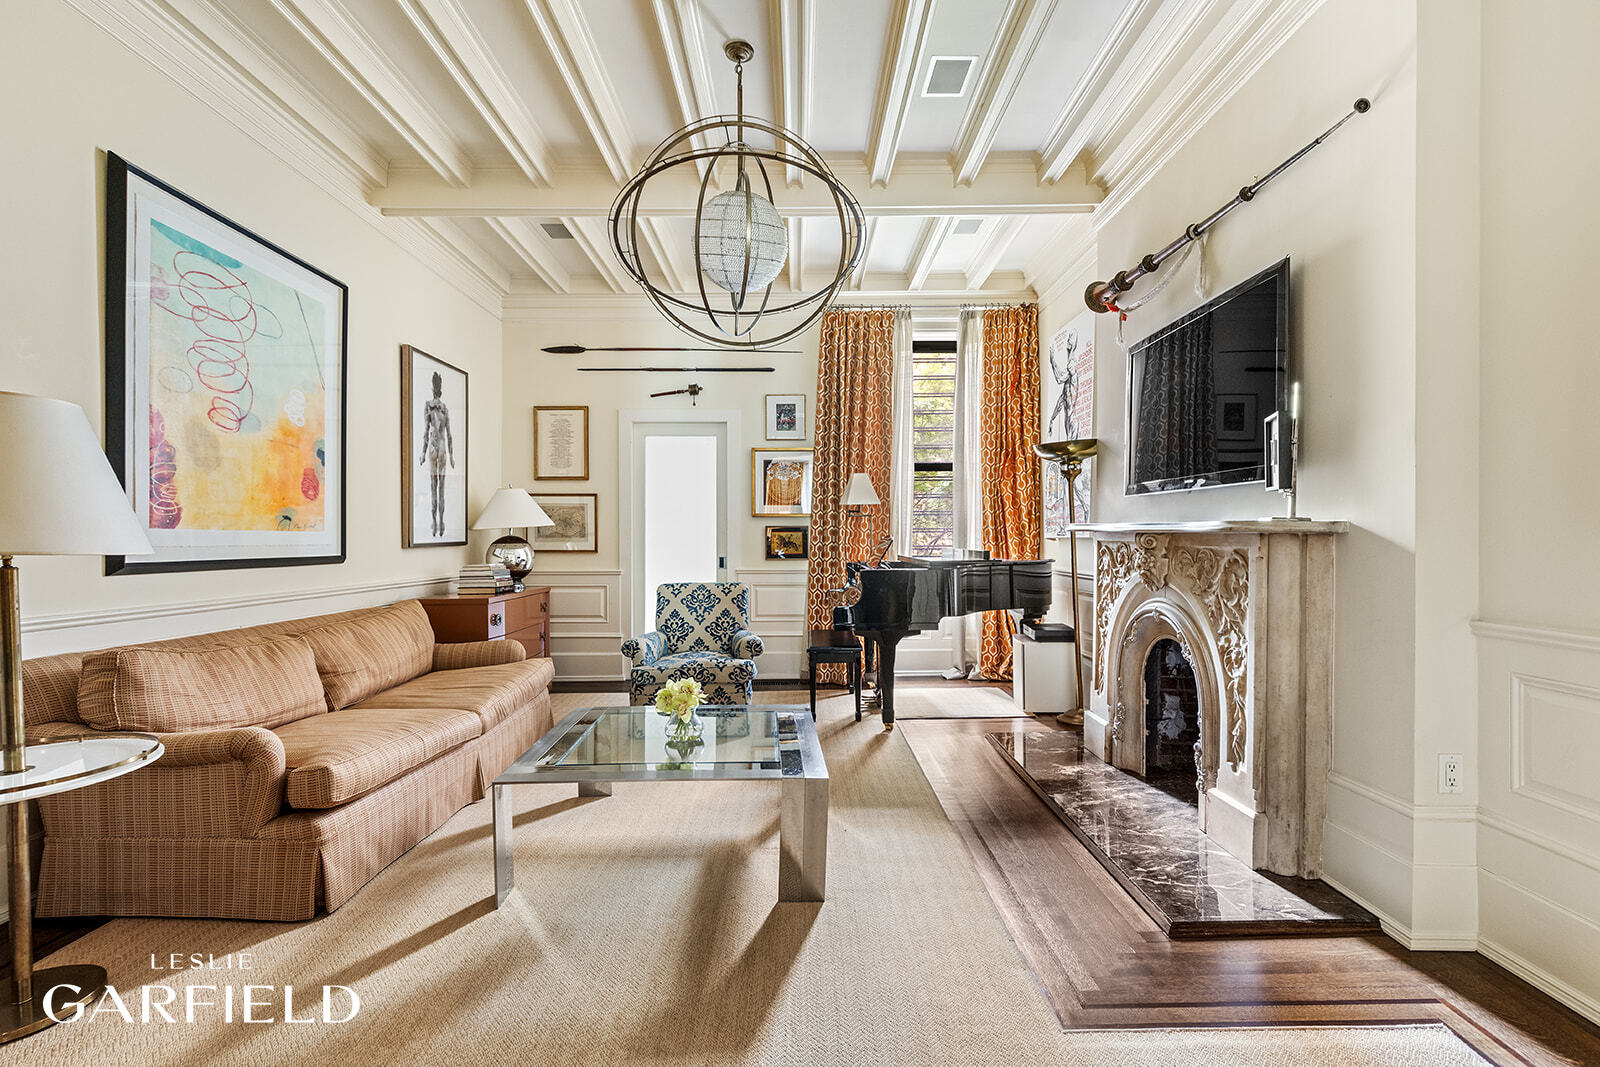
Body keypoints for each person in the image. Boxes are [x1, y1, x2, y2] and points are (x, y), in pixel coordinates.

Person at [420, 371, 455, 537]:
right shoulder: (440, 408)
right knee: (438, 487)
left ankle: (438, 521)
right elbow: (448, 435)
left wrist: (422, 452)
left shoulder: (434, 408)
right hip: (439, 449)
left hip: (436, 449)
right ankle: (438, 521)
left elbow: (427, 432)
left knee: (436, 487)